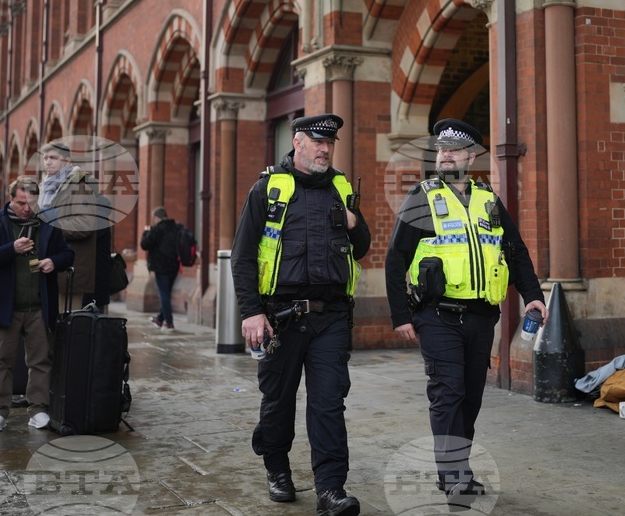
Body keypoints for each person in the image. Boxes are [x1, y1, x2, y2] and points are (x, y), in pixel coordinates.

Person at [384, 118, 548, 510]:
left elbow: (515, 250)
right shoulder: (421, 197)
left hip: (480, 317)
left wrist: (533, 296)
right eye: (441, 150)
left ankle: (458, 472)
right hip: (436, 315)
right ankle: (454, 477)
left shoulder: (488, 198)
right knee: (448, 394)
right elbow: (395, 259)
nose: (445, 156)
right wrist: (401, 315)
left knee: (470, 397)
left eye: (454, 150)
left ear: (472, 155)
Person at [231, 113, 369, 516]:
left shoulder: (341, 187)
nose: (326, 149)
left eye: (331, 143)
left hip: (331, 317)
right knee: (279, 400)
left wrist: (353, 221)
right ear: (298, 142)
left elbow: (361, 247)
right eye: (318, 142)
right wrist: (252, 312)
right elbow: (242, 257)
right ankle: (276, 467)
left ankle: (331, 489)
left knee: (329, 403)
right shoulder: (268, 188)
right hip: (280, 317)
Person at [0, 176, 74, 432]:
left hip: (40, 306)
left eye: (31, 202)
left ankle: (38, 409)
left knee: (41, 360)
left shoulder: (48, 223)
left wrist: (54, 262)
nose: (27, 208)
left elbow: (67, 254)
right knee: (0, 360)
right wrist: (12, 248)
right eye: (21, 202)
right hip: (6, 306)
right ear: (11, 199)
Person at [37, 141, 99, 312]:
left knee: (65, 327)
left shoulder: (81, 185)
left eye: (53, 158)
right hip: (45, 264)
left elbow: (85, 224)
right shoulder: (45, 187)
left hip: (69, 267)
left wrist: (49, 227)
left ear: (67, 161)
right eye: (45, 157)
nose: (47, 161)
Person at [140, 206, 179, 331]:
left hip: (161, 267)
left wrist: (146, 232)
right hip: (174, 266)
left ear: (156, 218)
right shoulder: (176, 228)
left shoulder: (156, 230)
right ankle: (160, 319)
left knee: (164, 294)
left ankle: (169, 323)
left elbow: (144, 244)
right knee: (166, 293)